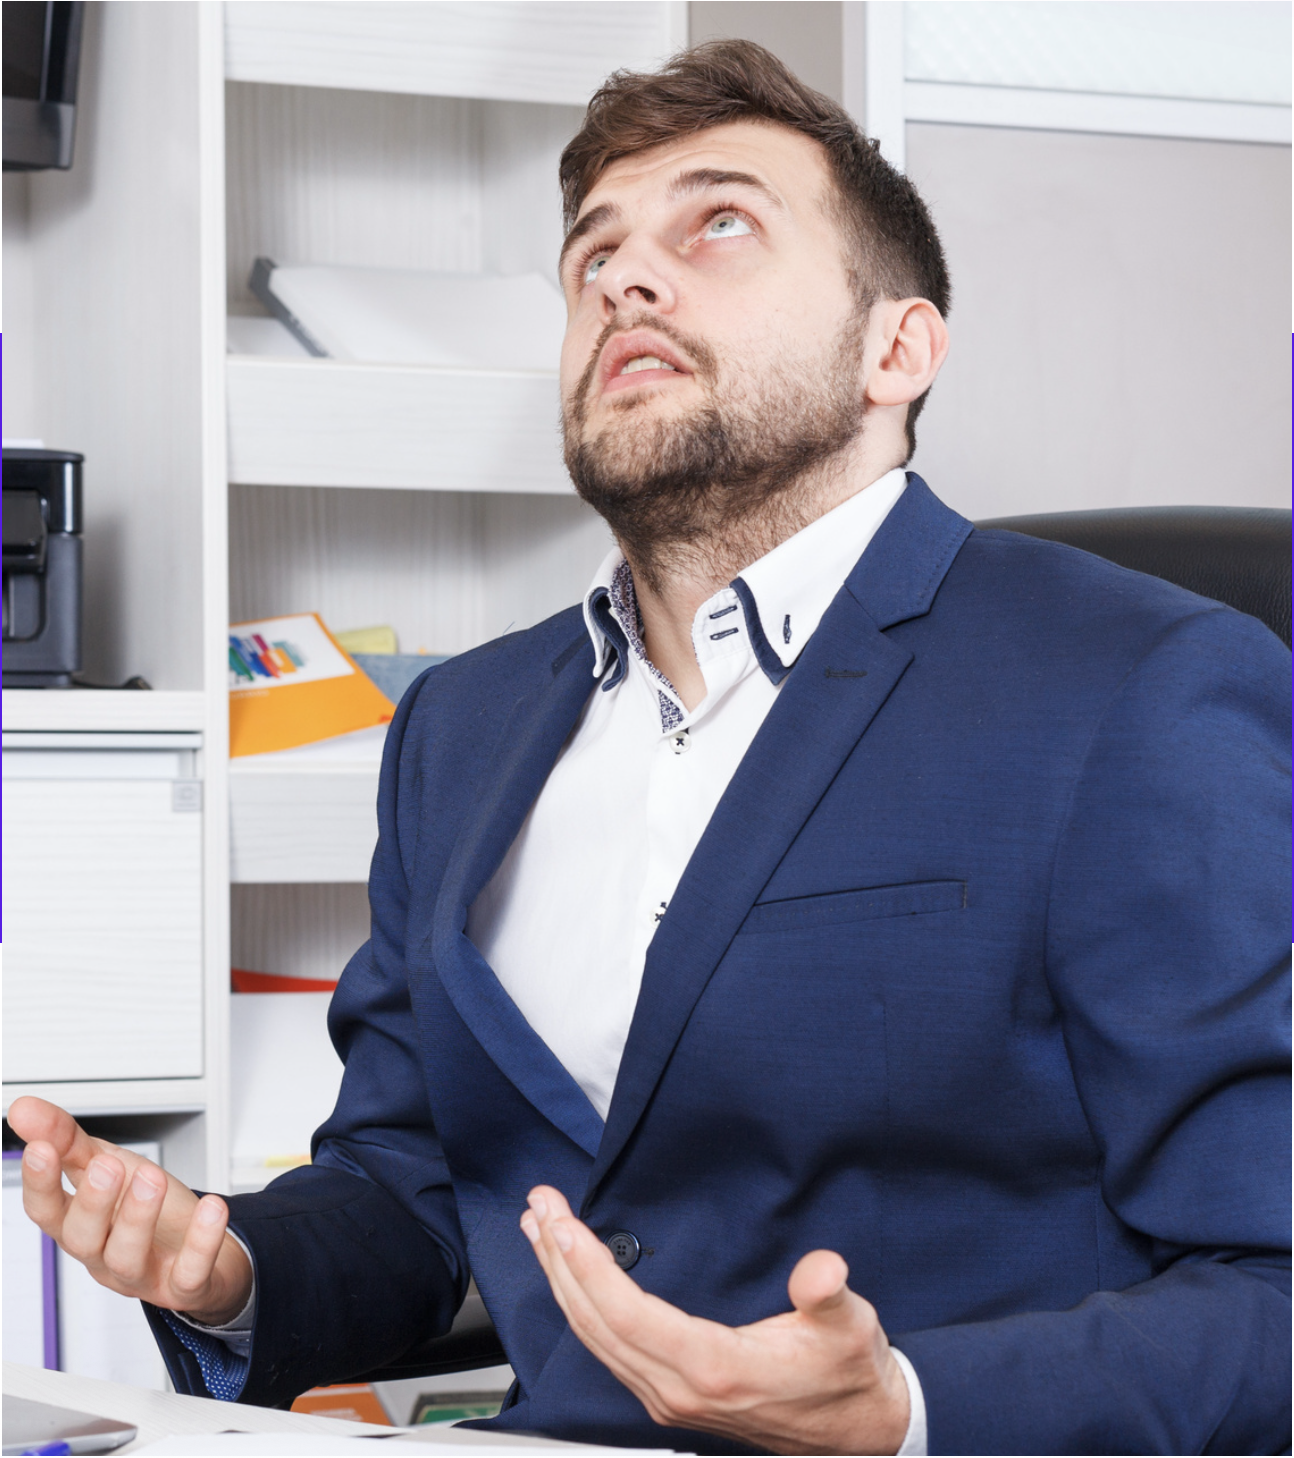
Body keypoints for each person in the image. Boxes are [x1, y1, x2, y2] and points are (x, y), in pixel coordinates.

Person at [12, 41, 1289, 1456]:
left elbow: (1269, 1283)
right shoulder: (463, 729)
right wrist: (234, 1269)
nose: (624, 276)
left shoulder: (1140, 687)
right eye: (591, 255)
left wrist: (907, 1407)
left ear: (897, 348)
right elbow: (414, 1181)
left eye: (717, 224)